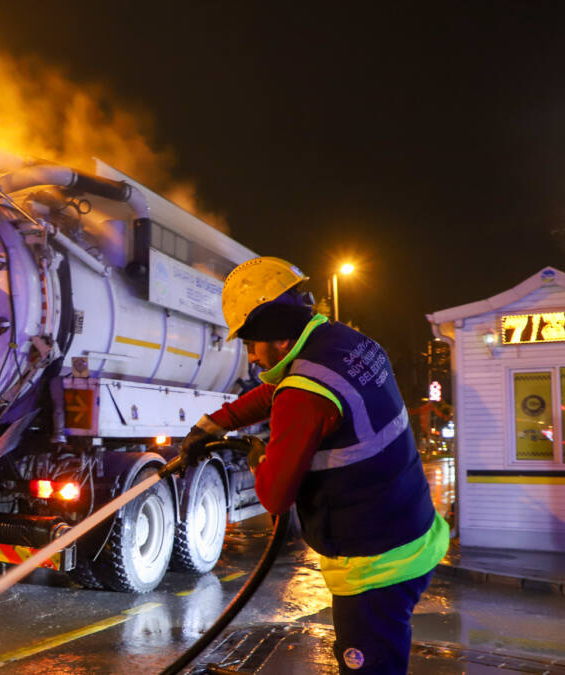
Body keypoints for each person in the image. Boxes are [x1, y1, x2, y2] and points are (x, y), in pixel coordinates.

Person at [179, 256, 448, 674]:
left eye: (251, 343)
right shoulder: (341, 341)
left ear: (276, 336)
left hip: (375, 567)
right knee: (388, 653)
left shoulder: (305, 396)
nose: (250, 357)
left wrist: (258, 456)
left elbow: (273, 494)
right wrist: (216, 423)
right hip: (412, 532)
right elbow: (284, 387)